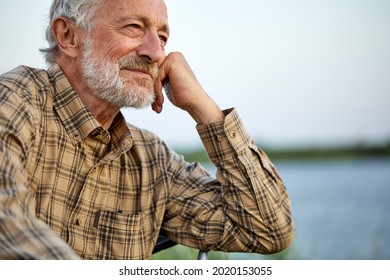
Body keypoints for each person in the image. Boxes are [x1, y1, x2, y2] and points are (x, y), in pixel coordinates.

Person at [0, 0, 294, 260]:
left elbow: (268, 229)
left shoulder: (152, 160)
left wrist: (205, 109)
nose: (155, 52)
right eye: (133, 27)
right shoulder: (14, 101)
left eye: (162, 37)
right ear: (68, 36)